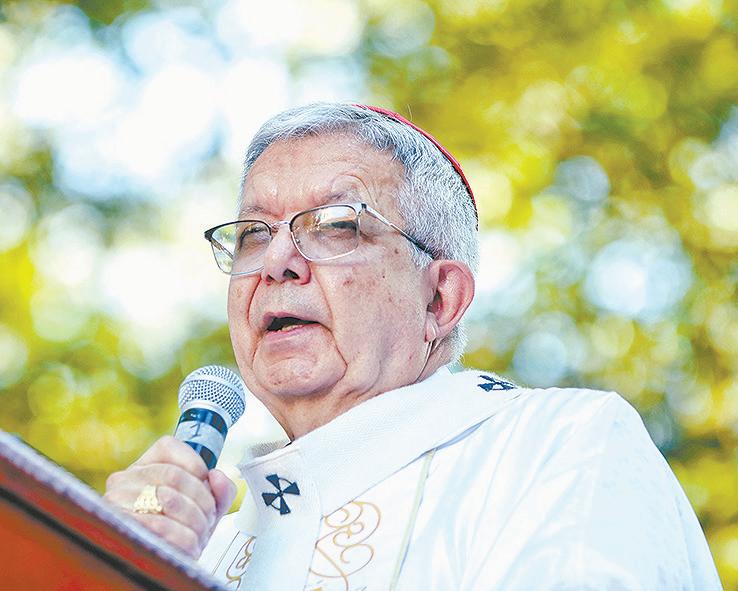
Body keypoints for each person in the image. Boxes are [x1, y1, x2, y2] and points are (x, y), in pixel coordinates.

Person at [104, 103, 723, 590]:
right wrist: (105, 564)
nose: (276, 261)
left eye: (336, 225)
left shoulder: (557, 446)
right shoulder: (201, 547)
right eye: (252, 233)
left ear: (439, 300)